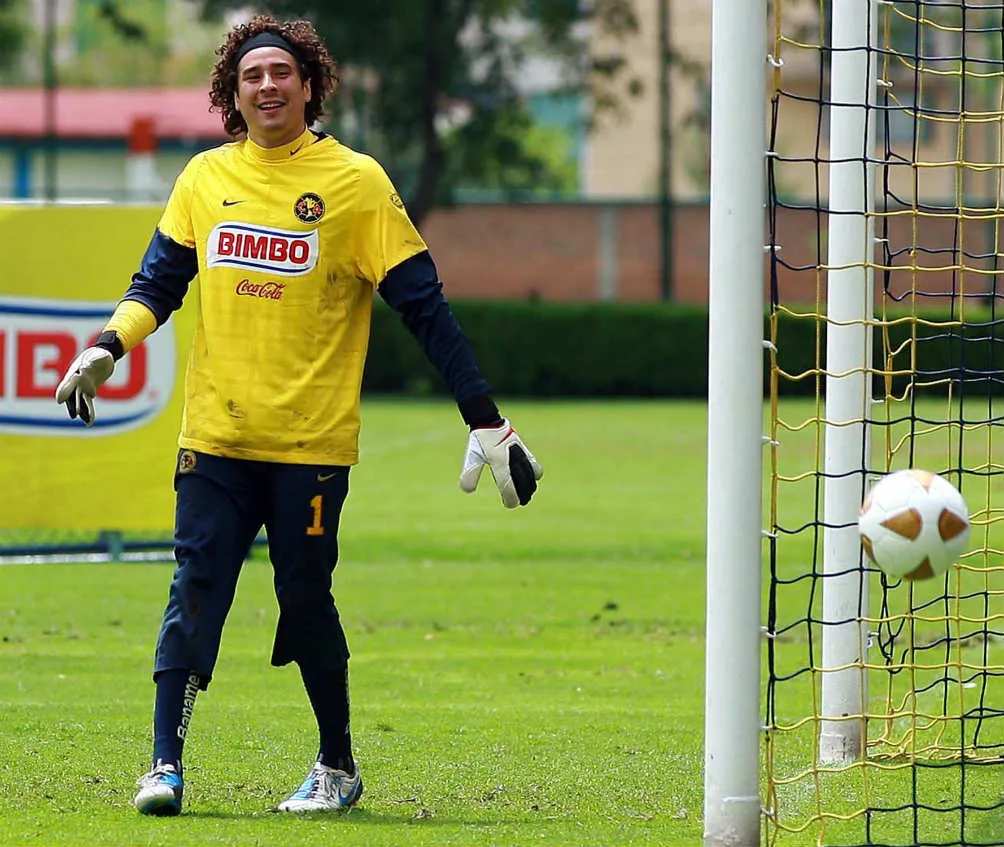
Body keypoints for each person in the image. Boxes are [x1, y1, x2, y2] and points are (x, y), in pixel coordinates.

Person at [54, 13, 542, 817]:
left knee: (305, 598)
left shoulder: (355, 182)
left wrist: (487, 418)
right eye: (253, 75)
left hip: (310, 448)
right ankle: (164, 764)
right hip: (215, 437)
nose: (268, 85)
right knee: (195, 584)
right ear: (232, 93)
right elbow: (157, 285)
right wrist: (109, 343)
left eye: (282, 72)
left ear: (310, 86)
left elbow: (425, 307)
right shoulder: (204, 180)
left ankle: (337, 764)